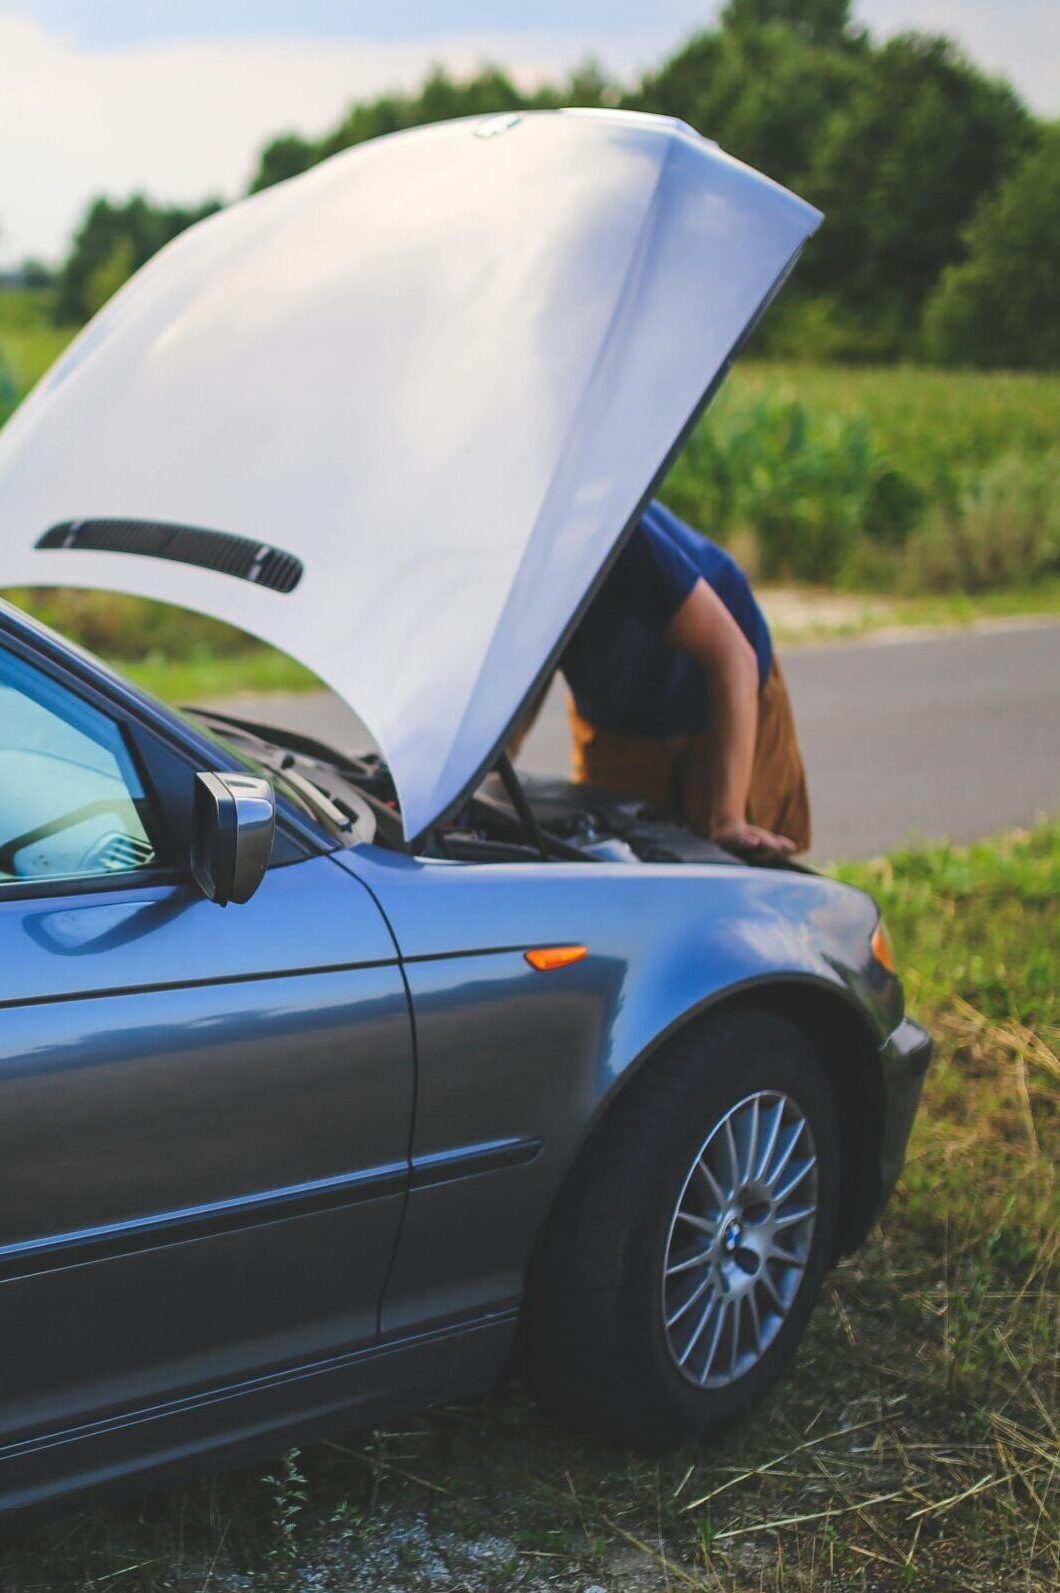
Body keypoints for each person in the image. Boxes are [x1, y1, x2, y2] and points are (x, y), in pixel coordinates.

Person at [519, 500, 810, 862]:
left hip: (724, 695)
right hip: (616, 714)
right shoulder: (501, 565)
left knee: (735, 861)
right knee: (618, 860)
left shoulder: (615, 534)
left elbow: (734, 659)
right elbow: (523, 674)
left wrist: (729, 817)